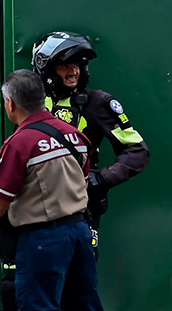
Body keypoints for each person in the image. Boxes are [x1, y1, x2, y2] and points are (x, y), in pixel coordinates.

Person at [0, 70, 103, 311]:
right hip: (80, 232)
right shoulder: (75, 135)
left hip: (42, 239)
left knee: (39, 305)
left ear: (11, 104)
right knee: (84, 303)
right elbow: (83, 182)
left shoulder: (21, 142)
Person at [31, 32, 148, 244]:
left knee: (79, 274)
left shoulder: (97, 102)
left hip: (80, 211)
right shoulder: (32, 103)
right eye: (65, 64)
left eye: (78, 64)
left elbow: (137, 150)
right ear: (47, 68)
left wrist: (102, 179)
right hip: (36, 210)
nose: (73, 71)